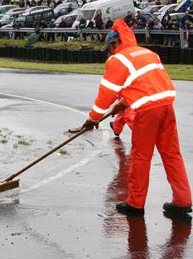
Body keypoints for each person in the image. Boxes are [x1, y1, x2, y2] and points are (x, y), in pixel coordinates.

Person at [81, 19, 192, 216]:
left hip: (148, 112)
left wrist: (93, 118)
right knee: (172, 154)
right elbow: (143, 83)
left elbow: (105, 94)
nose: (110, 52)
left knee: (141, 156)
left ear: (117, 43)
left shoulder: (119, 59)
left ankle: (135, 204)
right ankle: (183, 201)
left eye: (110, 48)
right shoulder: (147, 53)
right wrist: (123, 102)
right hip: (166, 106)